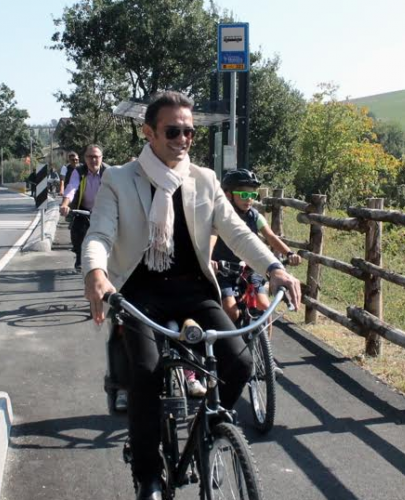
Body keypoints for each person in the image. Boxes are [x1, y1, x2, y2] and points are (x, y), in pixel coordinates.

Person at [82, 91, 301, 500]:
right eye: (173, 131)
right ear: (148, 133)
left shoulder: (204, 179)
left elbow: (236, 231)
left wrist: (274, 267)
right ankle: (148, 472)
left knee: (238, 362)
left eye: (189, 132)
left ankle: (209, 434)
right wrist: (96, 273)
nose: (183, 139)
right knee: (145, 374)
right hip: (138, 293)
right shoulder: (119, 179)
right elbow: (99, 234)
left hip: (193, 290)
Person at [211, 169, 302, 323]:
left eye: (252, 195)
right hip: (223, 270)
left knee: (265, 310)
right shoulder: (221, 216)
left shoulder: (255, 216)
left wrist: (289, 253)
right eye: (244, 195)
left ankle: (266, 347)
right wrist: (208, 259)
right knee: (230, 311)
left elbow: (271, 237)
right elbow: (212, 236)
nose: (249, 199)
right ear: (228, 195)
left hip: (248, 269)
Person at [59, 144, 107, 271]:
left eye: (96, 157)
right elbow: (72, 188)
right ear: (85, 158)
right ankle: (80, 258)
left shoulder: (108, 172)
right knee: (77, 231)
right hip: (83, 209)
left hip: (104, 211)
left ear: (102, 158)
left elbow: (118, 191)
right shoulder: (79, 171)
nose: (93, 160)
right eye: (90, 157)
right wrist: (65, 204)